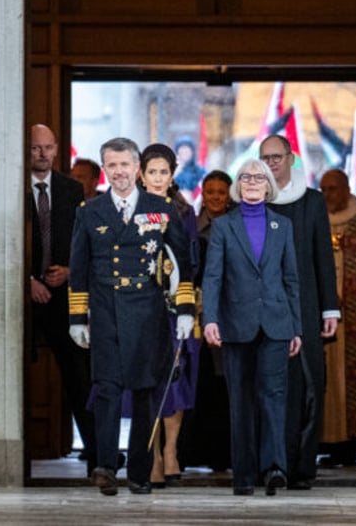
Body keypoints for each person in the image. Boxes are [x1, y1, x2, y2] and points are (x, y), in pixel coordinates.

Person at [68, 137, 195, 496]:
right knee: (107, 389)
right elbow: (79, 268)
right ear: (104, 169)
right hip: (106, 310)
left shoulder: (162, 207)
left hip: (149, 311)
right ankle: (106, 466)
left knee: (145, 393)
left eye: (125, 165)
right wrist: (78, 317)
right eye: (112, 165)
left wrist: (185, 310)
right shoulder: (89, 211)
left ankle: (140, 471)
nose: (119, 172)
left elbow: (182, 264)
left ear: (137, 168)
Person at [202, 158, 302, 496]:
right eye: (246, 177)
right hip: (235, 324)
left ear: (269, 185)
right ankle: (243, 475)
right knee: (240, 400)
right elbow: (213, 276)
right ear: (238, 185)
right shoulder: (224, 227)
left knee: (273, 396)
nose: (253, 182)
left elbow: (291, 279)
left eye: (259, 177)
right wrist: (210, 319)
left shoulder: (282, 226)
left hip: (276, 324)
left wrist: (296, 327)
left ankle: (274, 467)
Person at [259, 135, 339, 489]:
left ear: (291, 159)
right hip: (267, 309)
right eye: (266, 158)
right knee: (273, 387)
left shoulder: (312, 202)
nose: (272, 163)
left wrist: (330, 308)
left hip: (306, 307)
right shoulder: (255, 202)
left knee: (310, 386)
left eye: (277, 157)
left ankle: (303, 467)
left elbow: (323, 257)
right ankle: (274, 464)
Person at [28, 124, 97, 474]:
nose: (42, 154)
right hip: (22, 297)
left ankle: (98, 456)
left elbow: (85, 240)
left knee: (78, 375)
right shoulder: (12, 185)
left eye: (48, 148)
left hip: (63, 296)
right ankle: (21, 453)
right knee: (20, 373)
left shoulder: (72, 189)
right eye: (36, 147)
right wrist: (27, 281)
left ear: (56, 150)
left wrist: (70, 271)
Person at [137, 143, 200, 488]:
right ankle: (154, 455)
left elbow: (190, 261)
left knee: (177, 378)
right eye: (152, 172)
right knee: (148, 381)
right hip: (141, 306)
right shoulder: (129, 206)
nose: (158, 179)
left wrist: (186, 304)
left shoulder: (184, 211)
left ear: (172, 175)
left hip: (176, 304)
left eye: (164, 172)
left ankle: (172, 450)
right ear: (141, 174)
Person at [182, 169, 234, 473]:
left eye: (221, 192)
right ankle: (194, 451)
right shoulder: (192, 225)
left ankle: (223, 454)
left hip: (228, 315)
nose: (215, 197)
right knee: (199, 382)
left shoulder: (236, 225)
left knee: (224, 383)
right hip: (197, 315)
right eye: (210, 191)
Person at [319, 169, 356, 466]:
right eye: (323, 190)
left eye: (333, 189)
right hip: (324, 316)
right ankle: (327, 441)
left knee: (350, 379)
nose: (328, 195)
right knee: (327, 378)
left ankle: (354, 441)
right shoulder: (316, 222)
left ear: (347, 188)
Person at [173, 136, 205, 201]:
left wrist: (192, 196)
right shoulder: (171, 172)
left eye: (187, 149)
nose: (184, 152)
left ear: (192, 152)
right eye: (182, 149)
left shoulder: (200, 172)